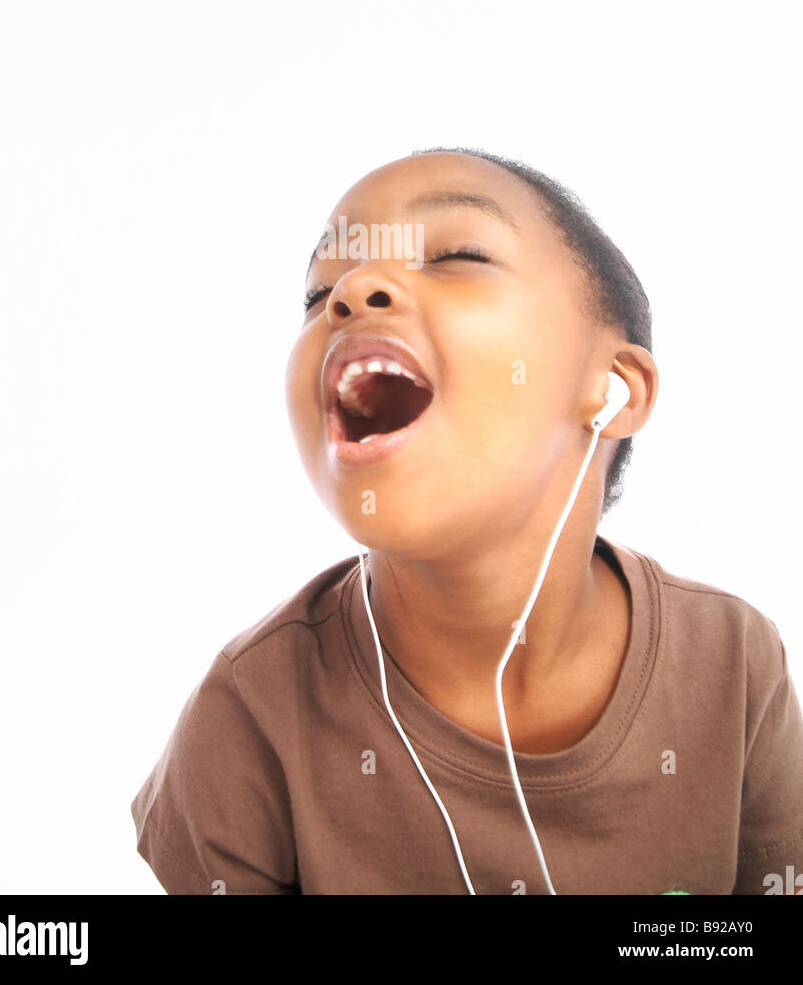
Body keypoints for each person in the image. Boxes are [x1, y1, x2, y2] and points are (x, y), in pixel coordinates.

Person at [130, 147, 803, 894]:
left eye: (456, 255)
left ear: (613, 388)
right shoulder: (250, 713)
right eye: (320, 294)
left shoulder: (732, 662)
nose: (353, 290)